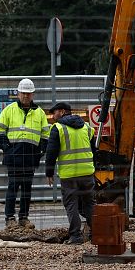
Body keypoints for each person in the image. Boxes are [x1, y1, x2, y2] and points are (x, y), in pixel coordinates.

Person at [0, 78, 50, 229]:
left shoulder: (39, 113)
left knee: (26, 188)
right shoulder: (9, 110)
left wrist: (40, 152)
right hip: (14, 158)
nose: (26, 96)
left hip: (30, 158)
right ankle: (10, 219)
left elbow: (46, 135)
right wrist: (8, 149)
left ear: (33, 95)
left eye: (29, 93)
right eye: (23, 93)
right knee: (13, 186)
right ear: (18, 93)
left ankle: (23, 218)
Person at [44, 102, 96, 245]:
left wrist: (49, 172)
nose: (53, 116)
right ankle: (96, 234)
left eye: (54, 113)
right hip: (87, 172)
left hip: (69, 175)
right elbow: (93, 150)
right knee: (89, 203)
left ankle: (76, 236)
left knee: (71, 204)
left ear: (61, 112)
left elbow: (51, 152)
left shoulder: (58, 128)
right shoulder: (86, 126)